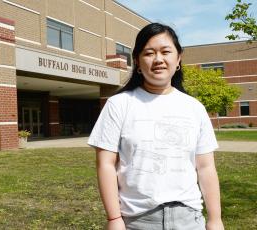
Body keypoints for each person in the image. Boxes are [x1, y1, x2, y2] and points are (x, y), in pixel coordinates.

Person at [88, 23, 224, 230]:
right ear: (137, 62)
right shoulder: (119, 104)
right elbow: (105, 165)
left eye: (166, 52)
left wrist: (215, 219)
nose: (158, 59)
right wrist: (114, 219)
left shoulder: (194, 107)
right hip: (137, 220)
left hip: (189, 219)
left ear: (178, 59)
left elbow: (205, 168)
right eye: (149, 53)